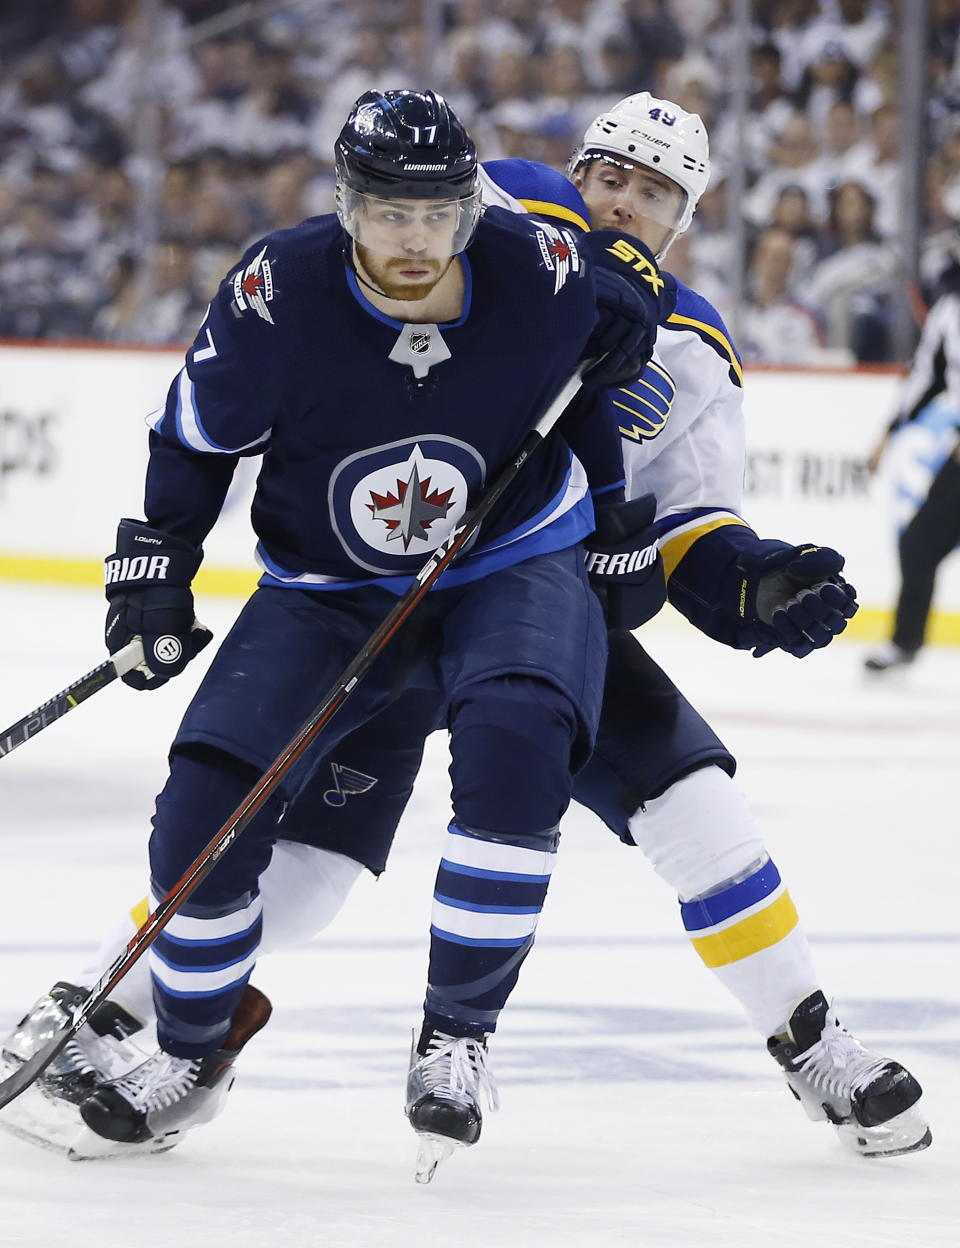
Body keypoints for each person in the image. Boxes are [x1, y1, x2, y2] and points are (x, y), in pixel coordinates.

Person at [4, 93, 930, 1178]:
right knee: (297, 871)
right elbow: (463, 215)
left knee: (702, 815)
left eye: (657, 191)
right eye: (610, 175)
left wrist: (752, 581)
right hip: (373, 600)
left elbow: (680, 526)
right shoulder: (509, 226)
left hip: (539, 599)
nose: (625, 200)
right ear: (572, 173)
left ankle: (816, 1042)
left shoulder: (688, 348)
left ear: (689, 217)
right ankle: (112, 997)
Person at [864, 249, 960, 672]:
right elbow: (928, 375)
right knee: (919, 544)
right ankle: (905, 643)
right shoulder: (950, 305)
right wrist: (888, 432)